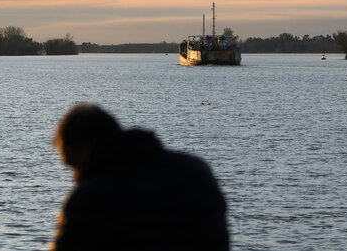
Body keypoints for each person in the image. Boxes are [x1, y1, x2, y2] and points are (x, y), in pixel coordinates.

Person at [51, 103, 229, 251]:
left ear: (86, 148)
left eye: (72, 164)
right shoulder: (196, 171)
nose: (74, 177)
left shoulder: (90, 198)